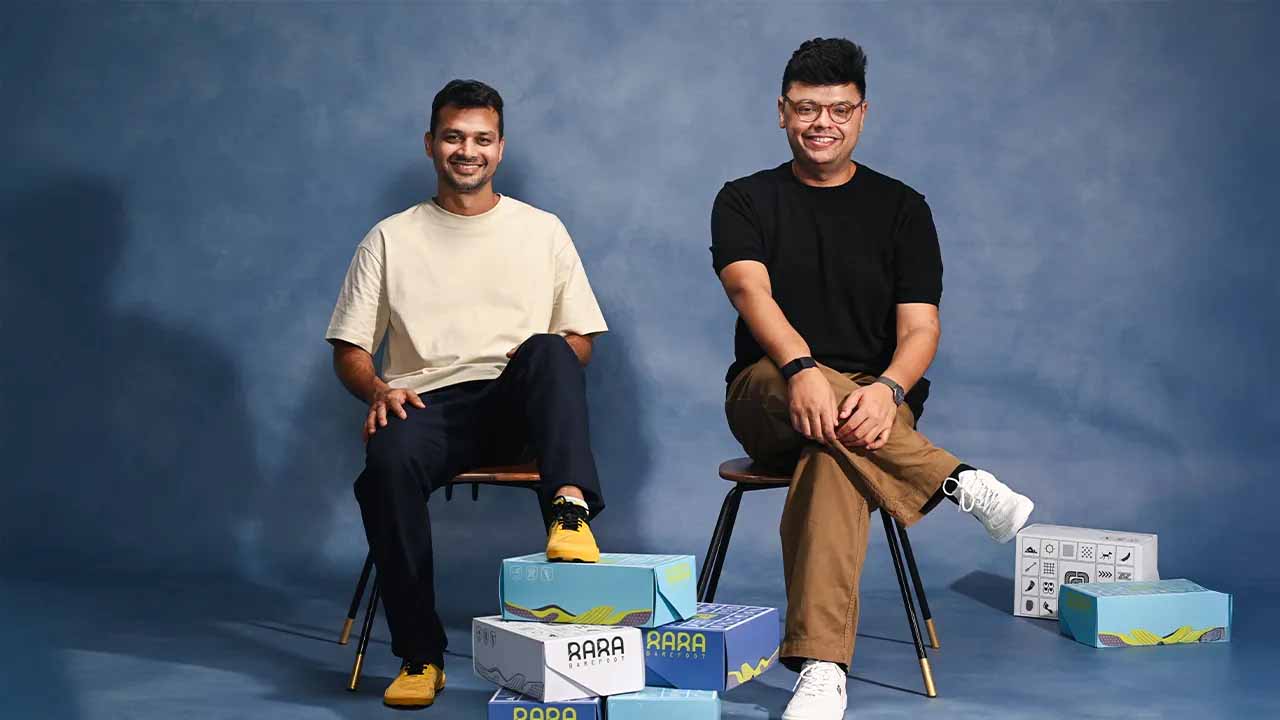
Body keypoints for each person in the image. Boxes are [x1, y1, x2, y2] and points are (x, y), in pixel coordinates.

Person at [710, 38, 1035, 720]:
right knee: (813, 409)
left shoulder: (902, 208)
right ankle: (954, 479)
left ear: (862, 114)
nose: (821, 123)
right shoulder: (743, 199)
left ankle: (822, 669)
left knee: (833, 456)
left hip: (876, 404)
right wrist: (801, 368)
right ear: (781, 111)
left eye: (838, 109)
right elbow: (749, 293)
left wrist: (887, 390)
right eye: (806, 108)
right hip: (768, 390)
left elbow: (921, 331)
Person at [326, 79, 609, 709]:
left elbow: (582, 341)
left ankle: (569, 509)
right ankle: (420, 657)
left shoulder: (542, 230)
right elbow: (349, 349)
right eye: (454, 137)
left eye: (482, 139)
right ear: (430, 143)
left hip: (518, 403)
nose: (468, 151)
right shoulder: (389, 238)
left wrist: (537, 361)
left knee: (551, 348)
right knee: (386, 463)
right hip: (427, 407)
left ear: (500, 148)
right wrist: (378, 389)